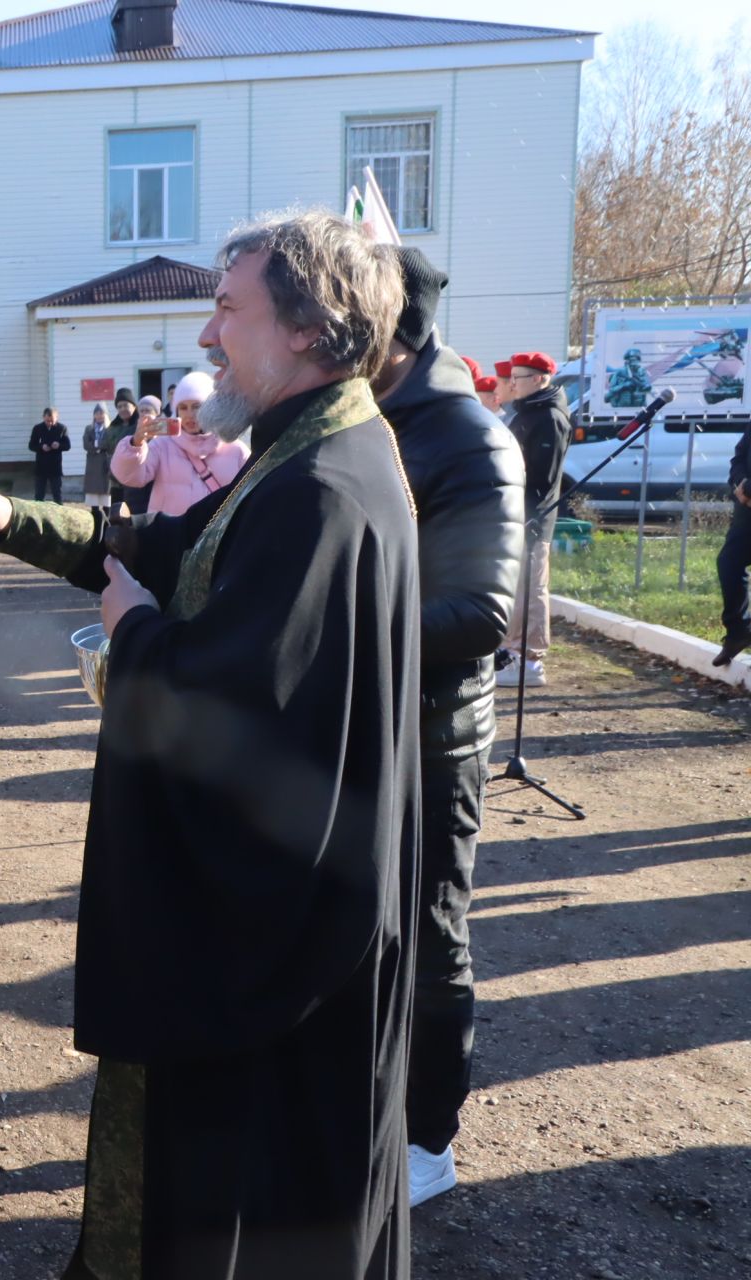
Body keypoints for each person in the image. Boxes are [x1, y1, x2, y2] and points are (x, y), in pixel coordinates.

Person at [0, 210, 418, 1279]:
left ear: (305, 325)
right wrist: (9, 520)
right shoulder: (301, 453)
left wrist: (135, 635)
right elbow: (162, 542)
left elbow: (238, 693)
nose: (208, 335)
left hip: (271, 945)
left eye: (227, 306)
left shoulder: (324, 489)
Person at [372, 247, 526, 1209]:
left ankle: (429, 1142)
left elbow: (482, 615)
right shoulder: (356, 418)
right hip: (359, 729)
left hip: (432, 741)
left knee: (432, 939)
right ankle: (368, 1108)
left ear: (391, 330)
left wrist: (334, 631)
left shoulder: (468, 436)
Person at [499, 350, 570, 689]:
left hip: (532, 519)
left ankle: (530, 659)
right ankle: (512, 650)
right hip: (516, 514)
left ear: (540, 379)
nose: (513, 384)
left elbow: (541, 478)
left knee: (531, 588)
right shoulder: (528, 412)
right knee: (517, 587)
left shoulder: (549, 418)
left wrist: (527, 517)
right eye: (512, 377)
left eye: (519, 377)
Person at [109, 372, 248, 518]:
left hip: (218, 537)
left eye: (197, 406)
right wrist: (135, 443)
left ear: (212, 407)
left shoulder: (236, 450)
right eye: (183, 407)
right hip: (171, 537)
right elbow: (130, 477)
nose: (189, 414)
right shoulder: (162, 446)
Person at [716, 424, 751, 666]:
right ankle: (738, 632)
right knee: (729, 563)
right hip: (747, 508)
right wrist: (741, 483)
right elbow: (739, 457)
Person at [28, 407, 70, 502]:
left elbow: (67, 445)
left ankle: (59, 514)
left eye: (52, 421)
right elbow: (31, 445)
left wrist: (59, 445)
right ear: (43, 417)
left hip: (55, 466)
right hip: (41, 465)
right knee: (39, 494)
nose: (50, 423)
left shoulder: (62, 428)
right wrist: (41, 447)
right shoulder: (37, 428)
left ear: (57, 418)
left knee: (57, 494)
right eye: (47, 421)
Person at [81, 404, 116, 509]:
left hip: (105, 463)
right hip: (92, 464)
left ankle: (107, 523)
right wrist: (98, 447)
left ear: (106, 415)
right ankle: (96, 522)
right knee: (93, 500)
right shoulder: (89, 428)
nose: (99, 416)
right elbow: (86, 444)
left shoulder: (110, 429)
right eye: (97, 413)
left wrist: (98, 446)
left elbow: (110, 444)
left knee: (106, 497)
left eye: (101, 413)